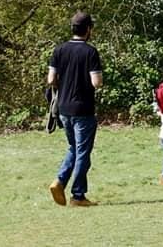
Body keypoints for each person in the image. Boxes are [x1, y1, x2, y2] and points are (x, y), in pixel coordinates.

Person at [47, 11, 103, 207]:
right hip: (83, 109)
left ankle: (59, 181)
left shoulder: (59, 50)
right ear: (88, 29)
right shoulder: (90, 52)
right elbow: (96, 82)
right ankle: (78, 195)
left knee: (74, 147)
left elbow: (51, 80)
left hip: (63, 108)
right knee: (83, 152)